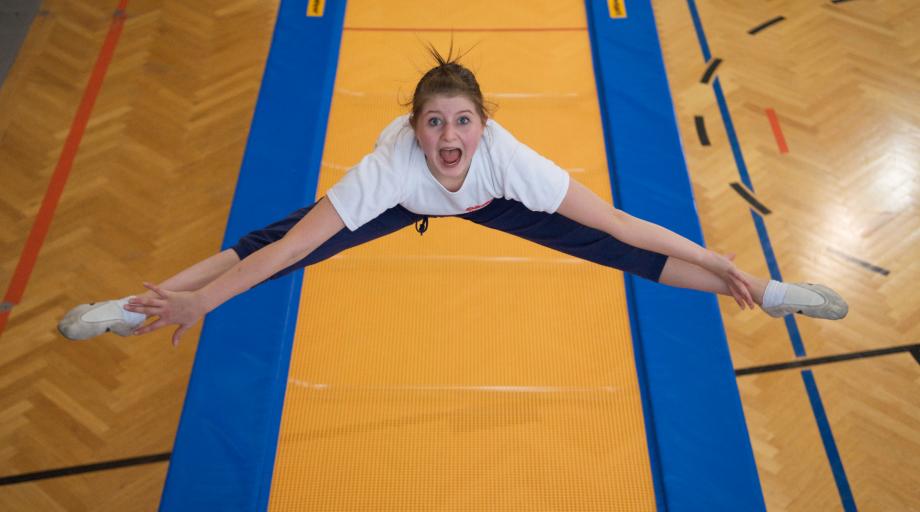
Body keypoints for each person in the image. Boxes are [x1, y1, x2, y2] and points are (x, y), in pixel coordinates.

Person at [58, 45, 847, 346]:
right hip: (405, 207)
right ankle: (134, 309)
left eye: (462, 121)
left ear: (483, 127)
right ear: (414, 126)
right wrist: (206, 306)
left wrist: (720, 258)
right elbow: (292, 252)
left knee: (629, 255)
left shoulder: (510, 164)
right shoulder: (388, 172)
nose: (448, 133)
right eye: (434, 121)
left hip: (490, 203)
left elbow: (618, 222)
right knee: (263, 243)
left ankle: (771, 293)